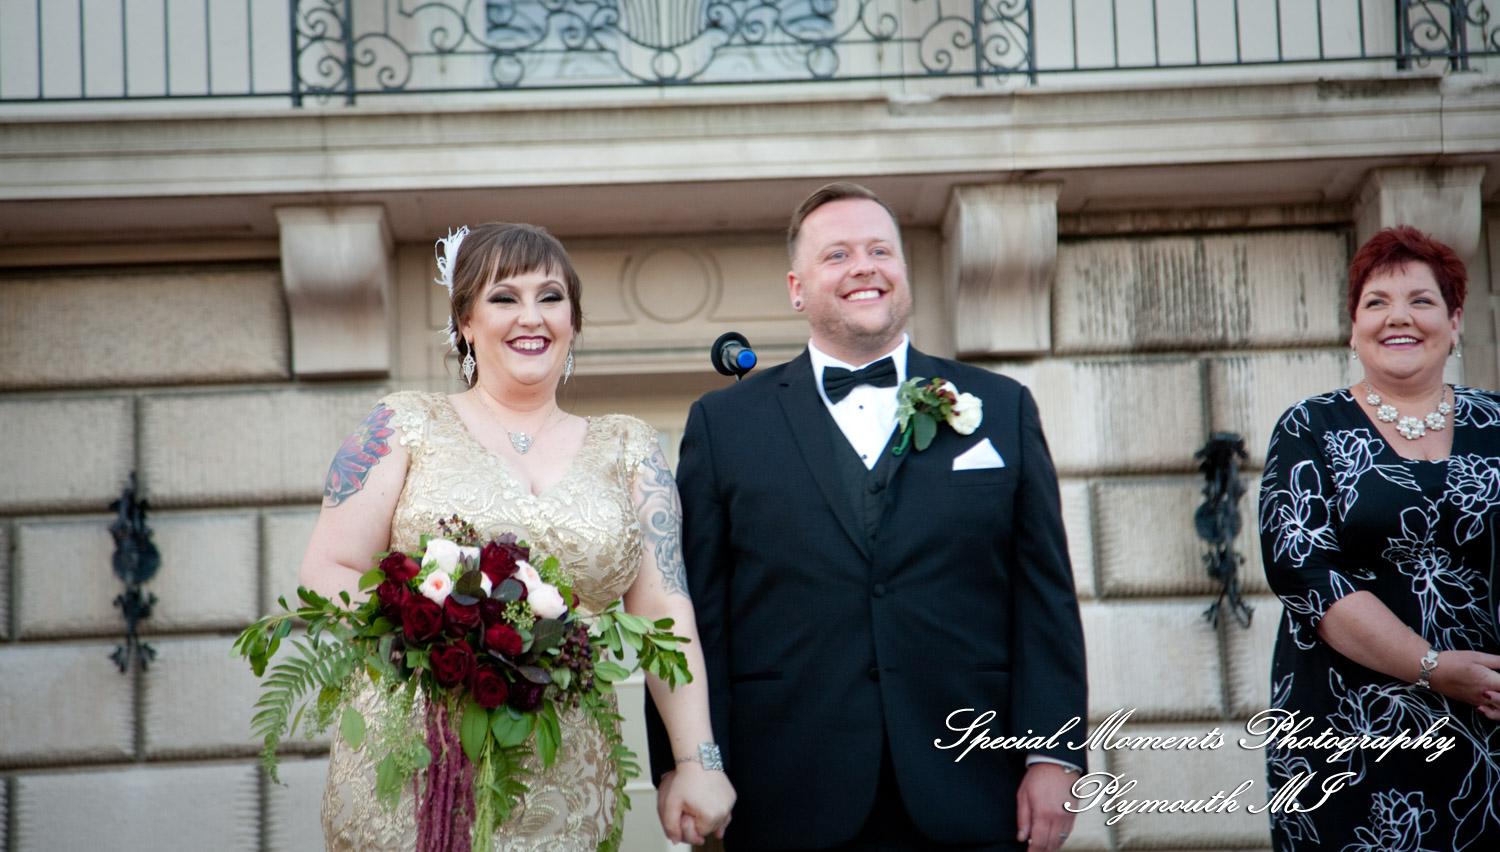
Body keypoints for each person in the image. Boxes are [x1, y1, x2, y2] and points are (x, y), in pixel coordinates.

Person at [647, 183, 1088, 851]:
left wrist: (1053, 756)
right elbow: (690, 613)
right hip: (784, 792)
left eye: (881, 250)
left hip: (974, 785)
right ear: (797, 288)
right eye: (838, 254)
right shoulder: (723, 425)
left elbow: (1043, 599)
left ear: (903, 274)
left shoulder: (1000, 408)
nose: (864, 266)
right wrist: (689, 764)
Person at [301, 222, 735, 851]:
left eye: (551, 297)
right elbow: (327, 568)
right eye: (504, 297)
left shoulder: (629, 447)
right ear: (466, 322)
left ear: (574, 322)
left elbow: (666, 613)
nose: (531, 316)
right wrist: (452, 629)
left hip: (567, 768)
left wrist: (698, 761)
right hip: (417, 760)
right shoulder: (403, 424)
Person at [1259, 225, 1500, 851]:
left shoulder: (1497, 422)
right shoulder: (1309, 428)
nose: (1400, 318)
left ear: (1454, 322)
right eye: (1377, 303)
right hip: (1352, 734)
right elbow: (1305, 576)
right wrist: (1433, 668)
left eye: (1422, 301)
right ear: (1353, 328)